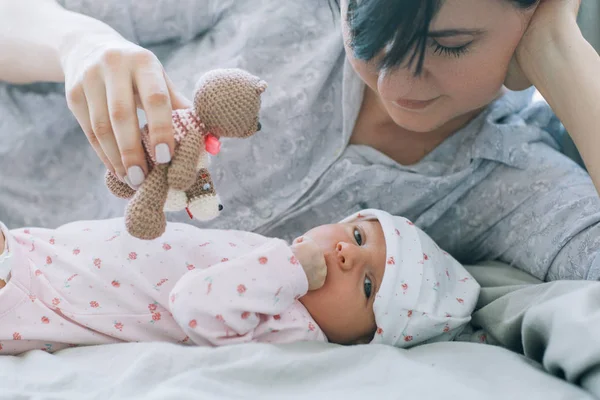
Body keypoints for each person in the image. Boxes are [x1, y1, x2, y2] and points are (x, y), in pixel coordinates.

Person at [0, 0, 598, 283]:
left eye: (449, 45)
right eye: (365, 34)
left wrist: (559, 51)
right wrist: (76, 40)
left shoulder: (512, 183)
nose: (393, 80)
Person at [0, 209, 479, 354]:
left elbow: (193, 304)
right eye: (357, 234)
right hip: (44, 251)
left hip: (38, 295)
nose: (347, 254)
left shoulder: (295, 329)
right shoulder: (279, 266)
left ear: (362, 338)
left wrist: (290, 268)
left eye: (369, 286)